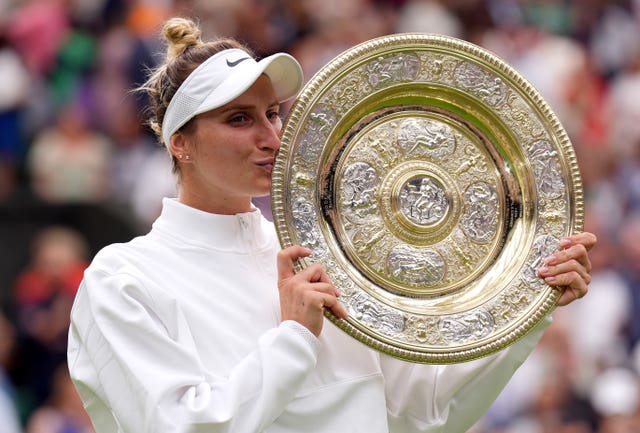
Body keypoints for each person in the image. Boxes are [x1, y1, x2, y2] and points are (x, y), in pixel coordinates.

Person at [67, 17, 597, 433]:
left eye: (271, 113)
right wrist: (294, 337)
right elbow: (176, 426)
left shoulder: (324, 254)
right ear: (178, 143)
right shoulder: (123, 279)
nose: (271, 136)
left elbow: (424, 415)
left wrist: (530, 305)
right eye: (238, 119)